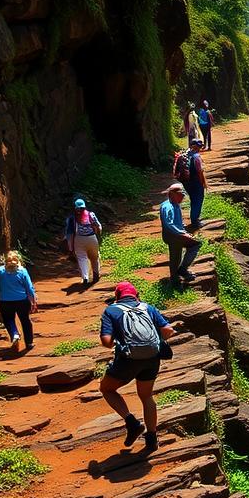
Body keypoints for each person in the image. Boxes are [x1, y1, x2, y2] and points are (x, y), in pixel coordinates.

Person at [98, 281, 175, 452]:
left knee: (107, 389)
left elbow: (106, 342)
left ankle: (131, 422)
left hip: (128, 360)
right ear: (137, 295)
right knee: (146, 396)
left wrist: (119, 340)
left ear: (117, 297)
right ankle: (152, 439)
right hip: (152, 359)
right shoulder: (149, 308)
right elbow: (169, 331)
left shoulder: (111, 310)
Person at [0, 250, 38, 353]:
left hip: (5, 301)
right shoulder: (22, 271)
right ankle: (29, 343)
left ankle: (15, 334)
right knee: (25, 321)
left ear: (5, 260)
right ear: (18, 260)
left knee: (8, 320)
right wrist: (34, 301)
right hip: (22, 301)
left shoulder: (0, 271)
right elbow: (29, 288)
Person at [160, 183, 201, 285]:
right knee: (191, 247)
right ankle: (177, 275)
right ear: (173, 194)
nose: (183, 197)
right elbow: (169, 223)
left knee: (176, 255)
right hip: (173, 235)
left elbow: (177, 221)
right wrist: (182, 233)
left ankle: (177, 274)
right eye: (181, 195)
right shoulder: (168, 207)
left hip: (176, 234)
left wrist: (184, 229)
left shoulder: (175, 204)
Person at [65, 198, 102, 286]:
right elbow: (99, 227)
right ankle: (96, 273)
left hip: (79, 239)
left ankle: (85, 277)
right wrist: (99, 236)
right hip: (92, 238)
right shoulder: (91, 214)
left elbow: (69, 234)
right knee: (95, 257)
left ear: (75, 207)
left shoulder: (71, 218)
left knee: (82, 258)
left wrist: (70, 248)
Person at [182, 137, 208, 229]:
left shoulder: (186, 154)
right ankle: (195, 222)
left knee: (193, 200)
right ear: (193, 146)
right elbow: (200, 171)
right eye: (198, 146)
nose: (199, 148)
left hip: (187, 182)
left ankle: (194, 219)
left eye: (200, 146)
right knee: (198, 200)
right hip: (196, 181)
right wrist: (203, 183)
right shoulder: (196, 157)